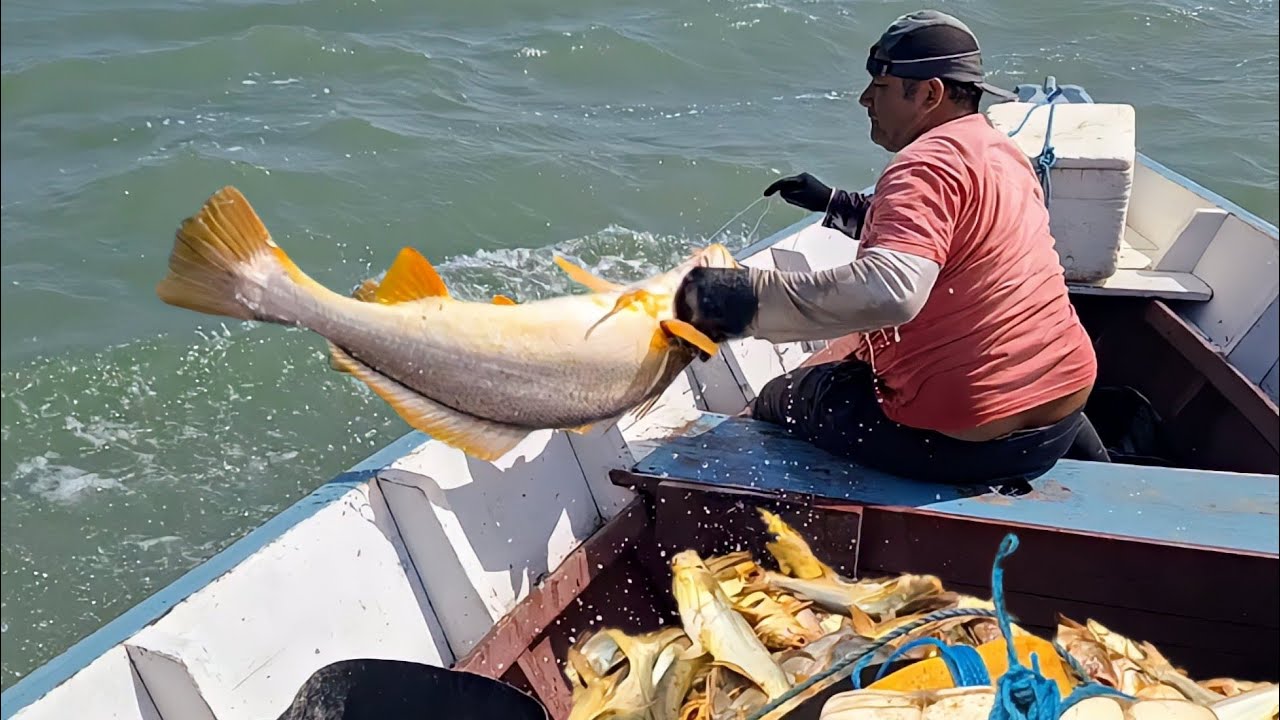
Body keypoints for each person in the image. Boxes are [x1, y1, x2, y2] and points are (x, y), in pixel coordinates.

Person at [673, 9, 1110, 486]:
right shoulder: (1000, 152)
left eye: (879, 87)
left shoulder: (922, 164)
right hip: (1061, 415)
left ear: (929, 93)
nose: (864, 100)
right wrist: (835, 204)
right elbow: (950, 238)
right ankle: (1105, 472)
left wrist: (739, 301)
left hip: (961, 443)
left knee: (785, 396)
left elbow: (892, 291)